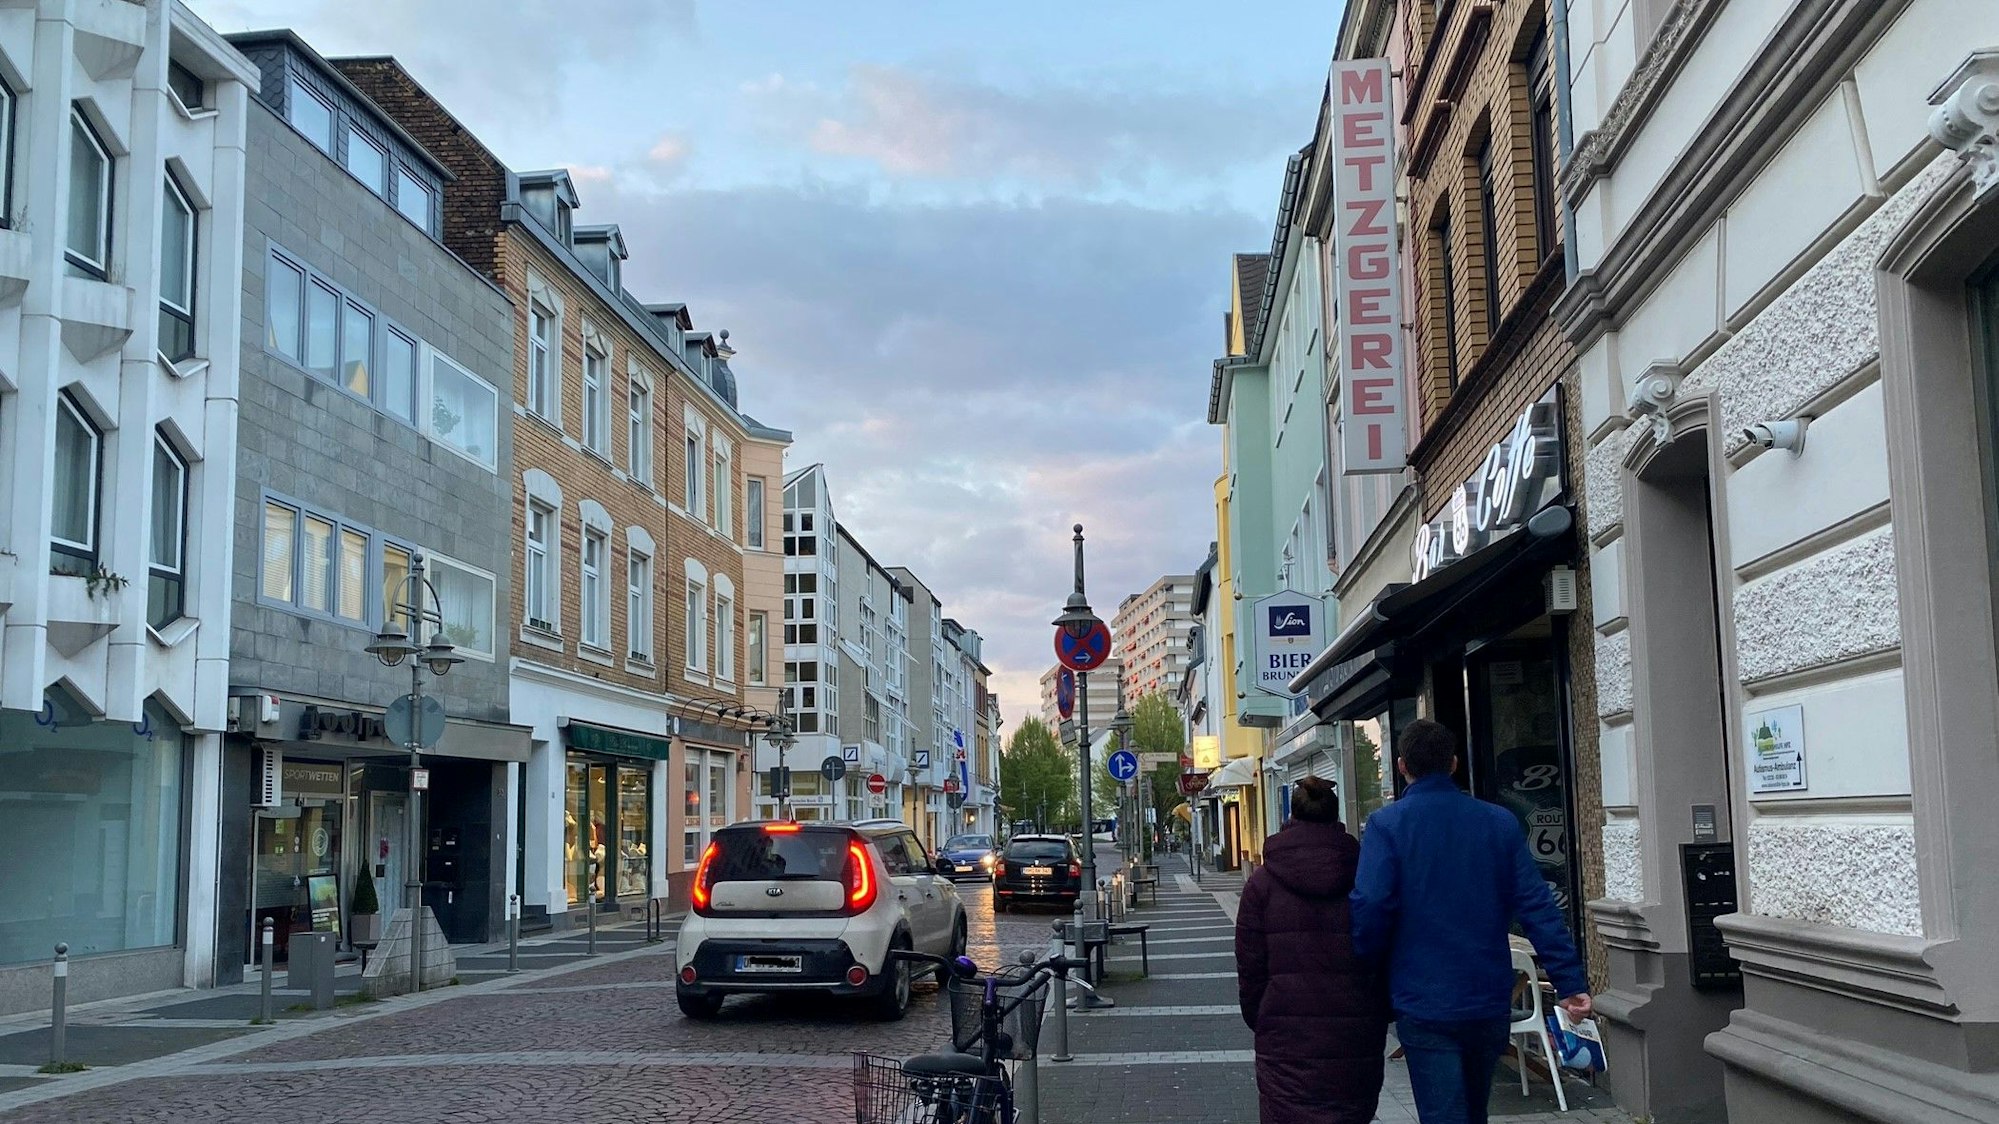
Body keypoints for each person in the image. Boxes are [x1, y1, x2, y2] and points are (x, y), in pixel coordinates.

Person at [1350, 720, 1593, 1124]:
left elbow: (1370, 906)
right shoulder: (1497, 822)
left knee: (1443, 1113)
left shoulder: (1387, 826)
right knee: (1474, 1110)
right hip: (1486, 996)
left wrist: (1369, 973)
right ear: (1455, 763)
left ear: (1401, 765)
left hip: (1421, 996)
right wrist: (1568, 982)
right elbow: (1536, 904)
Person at [1234, 776, 1388, 1124]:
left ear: (1292, 814)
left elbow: (1250, 965)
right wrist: (1378, 1005)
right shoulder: (1365, 875)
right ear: (1336, 817)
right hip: (1356, 1030)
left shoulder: (1262, 884)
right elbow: (1384, 946)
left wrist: (1262, 1017)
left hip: (1286, 1036)